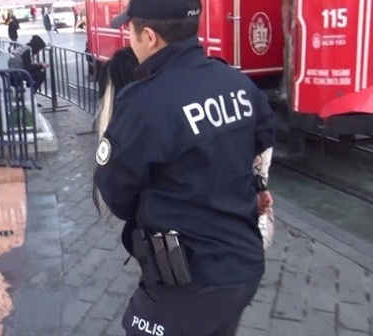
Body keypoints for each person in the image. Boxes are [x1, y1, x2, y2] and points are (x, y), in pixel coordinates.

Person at [92, 0, 275, 335]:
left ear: (149, 36)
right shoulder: (236, 83)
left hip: (189, 281)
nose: (129, 43)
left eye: (130, 33)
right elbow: (263, 141)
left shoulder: (144, 102)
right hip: (244, 265)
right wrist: (258, 189)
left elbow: (116, 193)